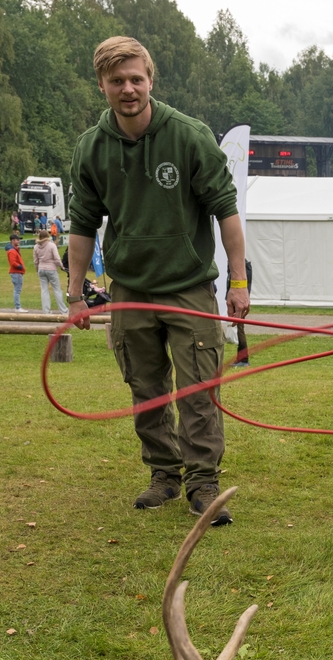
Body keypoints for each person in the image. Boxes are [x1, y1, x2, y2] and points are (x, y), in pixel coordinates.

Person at [67, 35, 249, 525]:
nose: (128, 89)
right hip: (129, 290)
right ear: (102, 85)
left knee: (198, 389)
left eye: (136, 79)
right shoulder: (91, 149)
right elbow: (82, 225)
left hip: (189, 285)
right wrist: (75, 296)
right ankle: (164, 476)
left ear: (150, 80)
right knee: (145, 389)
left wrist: (238, 281)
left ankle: (204, 484)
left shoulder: (189, 136)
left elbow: (226, 211)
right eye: (117, 81)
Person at [33, 230, 67, 315]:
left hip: (41, 269)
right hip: (51, 269)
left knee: (44, 290)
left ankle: (46, 311)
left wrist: (37, 270)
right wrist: (61, 266)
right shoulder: (52, 245)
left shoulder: (36, 247)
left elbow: (35, 261)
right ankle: (63, 311)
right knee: (57, 290)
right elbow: (57, 258)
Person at [6, 232, 27, 311]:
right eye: (17, 240)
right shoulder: (12, 251)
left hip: (17, 272)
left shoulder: (15, 250)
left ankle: (18, 307)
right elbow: (13, 262)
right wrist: (20, 266)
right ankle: (17, 307)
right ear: (12, 240)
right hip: (16, 272)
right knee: (17, 290)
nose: (19, 241)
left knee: (17, 290)